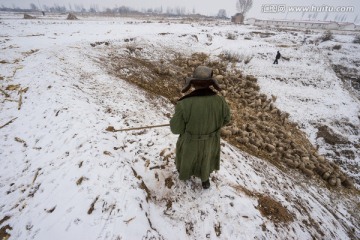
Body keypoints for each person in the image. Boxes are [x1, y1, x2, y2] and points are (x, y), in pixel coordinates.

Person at [170, 66, 231, 189]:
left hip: (190, 141)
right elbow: (226, 119)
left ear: (193, 84)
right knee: (206, 158)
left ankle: (185, 175)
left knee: (188, 158)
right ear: (211, 84)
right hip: (211, 140)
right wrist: (212, 126)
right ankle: (205, 180)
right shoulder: (220, 101)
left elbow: (175, 129)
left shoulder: (184, 104)